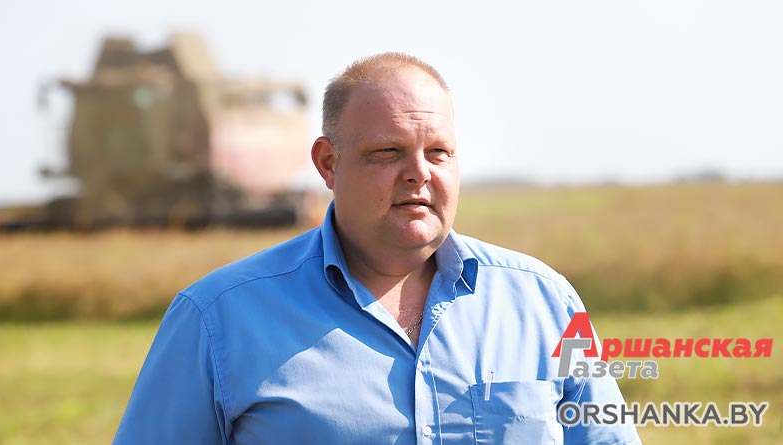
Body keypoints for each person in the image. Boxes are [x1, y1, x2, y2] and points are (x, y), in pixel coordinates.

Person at [113, 53, 641, 445]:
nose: (419, 172)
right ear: (328, 163)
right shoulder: (217, 319)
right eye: (388, 151)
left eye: (439, 152)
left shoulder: (547, 303)